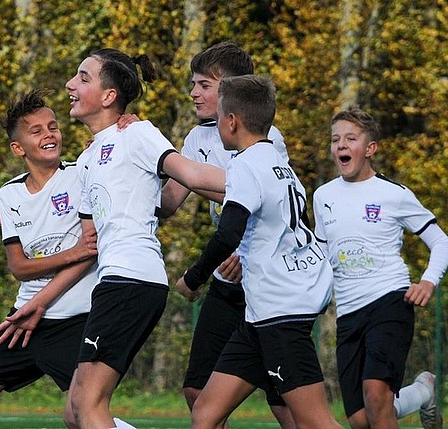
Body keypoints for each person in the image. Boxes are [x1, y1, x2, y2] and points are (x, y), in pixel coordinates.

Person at [64, 47, 226, 429]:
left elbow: (193, 175)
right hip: (113, 282)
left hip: (132, 279)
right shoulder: (87, 159)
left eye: (83, 78)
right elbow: (91, 239)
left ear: (109, 96)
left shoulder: (137, 133)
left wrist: (262, 182)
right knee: (74, 412)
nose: (70, 84)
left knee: (89, 405)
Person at [177, 74, 342, 429]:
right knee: (205, 413)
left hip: (281, 313)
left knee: (316, 423)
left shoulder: (246, 165)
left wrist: (193, 278)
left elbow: (228, 234)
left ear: (231, 121)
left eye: (219, 117)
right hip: (259, 316)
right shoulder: (280, 165)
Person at [156, 40, 294, 428]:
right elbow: (169, 202)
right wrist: (124, 168)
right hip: (227, 277)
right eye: (193, 84)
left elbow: (255, 197)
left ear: (232, 91)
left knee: (286, 403)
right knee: (197, 391)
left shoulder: (267, 137)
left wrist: (188, 173)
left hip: (266, 279)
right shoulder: (196, 139)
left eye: (204, 85)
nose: (193, 93)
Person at [0, 90, 99, 429]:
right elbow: (19, 268)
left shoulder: (83, 174)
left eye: (53, 127)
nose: (49, 135)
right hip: (24, 318)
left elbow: (93, 249)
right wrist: (73, 251)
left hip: (77, 319)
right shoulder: (10, 193)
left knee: (78, 415)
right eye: (37, 131)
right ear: (18, 148)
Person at [313, 106, 448, 429]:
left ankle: (414, 394)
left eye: (351, 138)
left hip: (389, 302)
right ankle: (422, 392)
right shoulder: (322, 196)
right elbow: (321, 256)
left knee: (376, 396)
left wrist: (428, 282)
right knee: (361, 419)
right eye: (335, 139)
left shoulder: (394, 195)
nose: (341, 145)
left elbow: (441, 242)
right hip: (348, 314)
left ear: (370, 148)